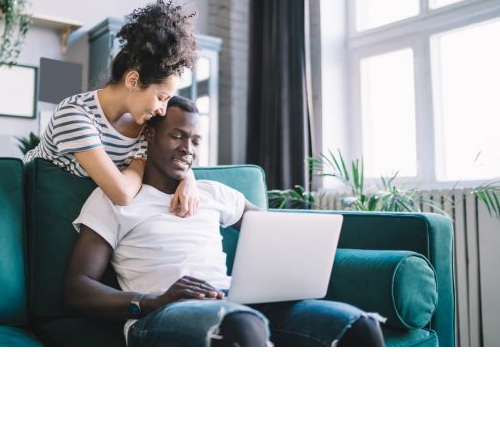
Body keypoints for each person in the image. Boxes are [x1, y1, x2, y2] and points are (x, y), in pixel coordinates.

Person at [64, 96, 386, 347]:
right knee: (243, 325)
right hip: (161, 314)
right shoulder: (115, 198)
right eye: (176, 136)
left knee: (361, 327)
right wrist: (153, 302)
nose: (187, 149)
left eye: (195, 141)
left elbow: (278, 235)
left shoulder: (212, 192)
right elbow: (77, 289)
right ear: (150, 134)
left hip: (235, 302)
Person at [25, 0, 199, 216]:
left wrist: (189, 179)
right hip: (30, 207)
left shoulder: (148, 123)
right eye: (161, 98)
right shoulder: (74, 115)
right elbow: (122, 194)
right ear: (133, 81)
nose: (163, 110)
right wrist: (139, 162)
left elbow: (179, 153)